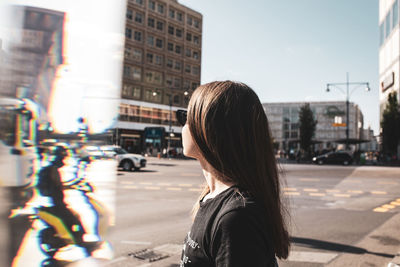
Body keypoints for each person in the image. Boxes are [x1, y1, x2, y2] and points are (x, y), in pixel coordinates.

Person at [177, 81, 290, 267]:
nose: (182, 125)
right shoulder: (213, 198)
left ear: (208, 129)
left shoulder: (238, 218)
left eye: (186, 117)